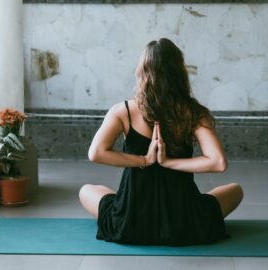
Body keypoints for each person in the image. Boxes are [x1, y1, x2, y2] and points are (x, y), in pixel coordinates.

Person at [79, 38, 244, 246]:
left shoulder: (123, 111)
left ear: (142, 71)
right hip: (185, 222)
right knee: (236, 189)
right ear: (179, 73)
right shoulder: (193, 113)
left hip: (131, 222)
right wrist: (169, 162)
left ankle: (121, 203)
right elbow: (218, 162)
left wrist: (145, 160)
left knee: (86, 190)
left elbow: (96, 153)